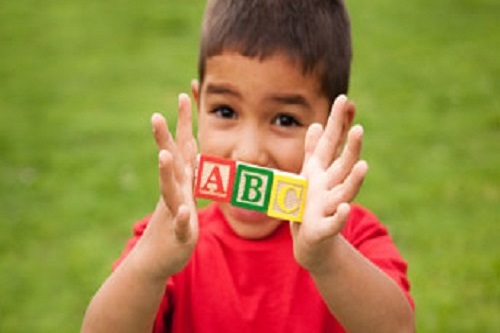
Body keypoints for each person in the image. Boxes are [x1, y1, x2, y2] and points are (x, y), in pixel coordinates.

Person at [81, 0, 415, 332]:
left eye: (285, 120)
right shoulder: (168, 240)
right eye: (225, 112)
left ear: (336, 128)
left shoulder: (349, 236)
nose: (248, 154)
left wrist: (327, 259)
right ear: (199, 107)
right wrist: (149, 266)